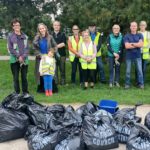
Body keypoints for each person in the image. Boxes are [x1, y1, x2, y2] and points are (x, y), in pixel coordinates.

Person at [7, 18, 29, 97]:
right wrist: (18, 56)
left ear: (20, 26)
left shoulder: (25, 36)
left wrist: (22, 57)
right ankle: (17, 94)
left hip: (24, 60)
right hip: (14, 60)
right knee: (15, 78)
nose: (17, 26)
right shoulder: (10, 36)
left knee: (24, 77)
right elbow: (10, 48)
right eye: (15, 25)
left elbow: (27, 49)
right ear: (13, 27)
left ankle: (25, 93)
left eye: (18, 25)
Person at [33, 23, 57, 93]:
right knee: (41, 73)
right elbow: (34, 49)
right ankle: (42, 89)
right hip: (40, 58)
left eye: (43, 28)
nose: (42, 30)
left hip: (49, 58)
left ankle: (51, 89)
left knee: (50, 73)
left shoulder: (50, 37)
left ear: (45, 28)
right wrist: (41, 55)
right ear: (39, 30)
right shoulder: (36, 38)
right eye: (40, 29)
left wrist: (51, 52)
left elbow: (55, 46)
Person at [124, 21, 144, 89]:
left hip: (138, 56)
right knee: (128, 71)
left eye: (135, 26)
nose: (133, 27)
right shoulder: (127, 36)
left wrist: (131, 44)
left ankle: (141, 84)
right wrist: (136, 44)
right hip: (129, 56)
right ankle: (127, 84)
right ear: (130, 27)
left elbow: (141, 45)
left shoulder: (140, 35)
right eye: (132, 26)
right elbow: (126, 46)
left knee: (139, 71)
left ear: (137, 27)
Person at [52, 21, 67, 85]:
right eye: (55, 25)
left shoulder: (63, 34)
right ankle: (56, 81)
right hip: (52, 55)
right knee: (54, 69)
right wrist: (56, 47)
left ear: (60, 27)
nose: (56, 26)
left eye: (58, 25)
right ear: (53, 26)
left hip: (62, 54)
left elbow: (63, 44)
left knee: (62, 69)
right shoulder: (50, 35)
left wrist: (55, 47)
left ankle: (63, 81)